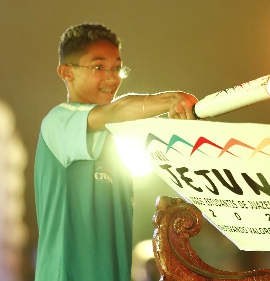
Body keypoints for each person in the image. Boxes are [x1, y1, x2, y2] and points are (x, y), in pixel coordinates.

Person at [34, 23, 198, 281]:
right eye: (98, 67)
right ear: (67, 72)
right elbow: (117, 110)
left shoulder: (118, 138)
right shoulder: (59, 122)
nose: (112, 78)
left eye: (117, 68)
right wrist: (170, 100)